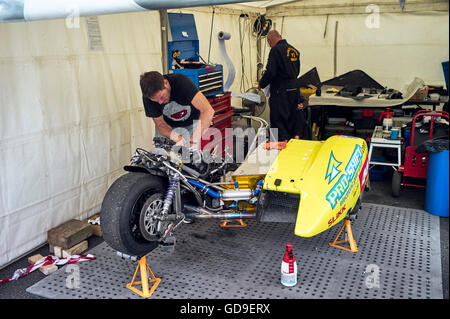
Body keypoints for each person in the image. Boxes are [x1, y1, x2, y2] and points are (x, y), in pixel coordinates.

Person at [140, 71, 215, 148]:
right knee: (162, 156)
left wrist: (193, 140)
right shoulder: (148, 96)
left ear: (166, 83)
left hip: (191, 123)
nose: (160, 102)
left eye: (162, 97)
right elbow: (160, 124)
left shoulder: (181, 82)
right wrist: (178, 139)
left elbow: (208, 111)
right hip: (167, 128)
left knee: (190, 156)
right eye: (156, 100)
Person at [258, 30, 307, 141]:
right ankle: (294, 142)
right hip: (294, 89)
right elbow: (297, 71)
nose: (269, 46)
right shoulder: (294, 50)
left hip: (281, 91)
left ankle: (280, 146)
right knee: (292, 118)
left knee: (278, 120)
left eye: (269, 43)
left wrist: (261, 83)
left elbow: (271, 72)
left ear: (270, 40)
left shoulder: (275, 50)